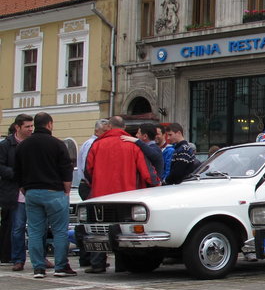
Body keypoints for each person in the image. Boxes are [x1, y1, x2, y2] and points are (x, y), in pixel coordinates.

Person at [85, 116, 162, 273]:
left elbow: (88, 171)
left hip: (101, 195)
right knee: (123, 230)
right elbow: (147, 172)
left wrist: (95, 184)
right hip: (126, 195)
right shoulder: (132, 146)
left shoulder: (97, 144)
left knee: (99, 229)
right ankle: (122, 265)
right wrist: (156, 183)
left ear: (109, 127)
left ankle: (97, 264)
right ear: (124, 128)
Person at [13, 112, 74, 278]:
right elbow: (66, 168)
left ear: (36, 124)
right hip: (54, 192)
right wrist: (66, 188)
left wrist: (23, 188)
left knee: (34, 231)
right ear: (49, 125)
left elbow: (17, 170)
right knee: (59, 231)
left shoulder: (23, 146)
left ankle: (38, 268)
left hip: (31, 193)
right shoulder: (57, 144)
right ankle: (60, 267)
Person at [0, 114, 34, 272]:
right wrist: (17, 173)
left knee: (37, 228)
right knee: (18, 227)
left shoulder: (34, 142)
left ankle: (38, 258)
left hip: (34, 190)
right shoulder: (6, 145)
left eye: (32, 126)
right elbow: (1, 167)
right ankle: (18, 259)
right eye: (27, 126)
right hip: (15, 192)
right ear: (17, 127)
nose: (31, 129)